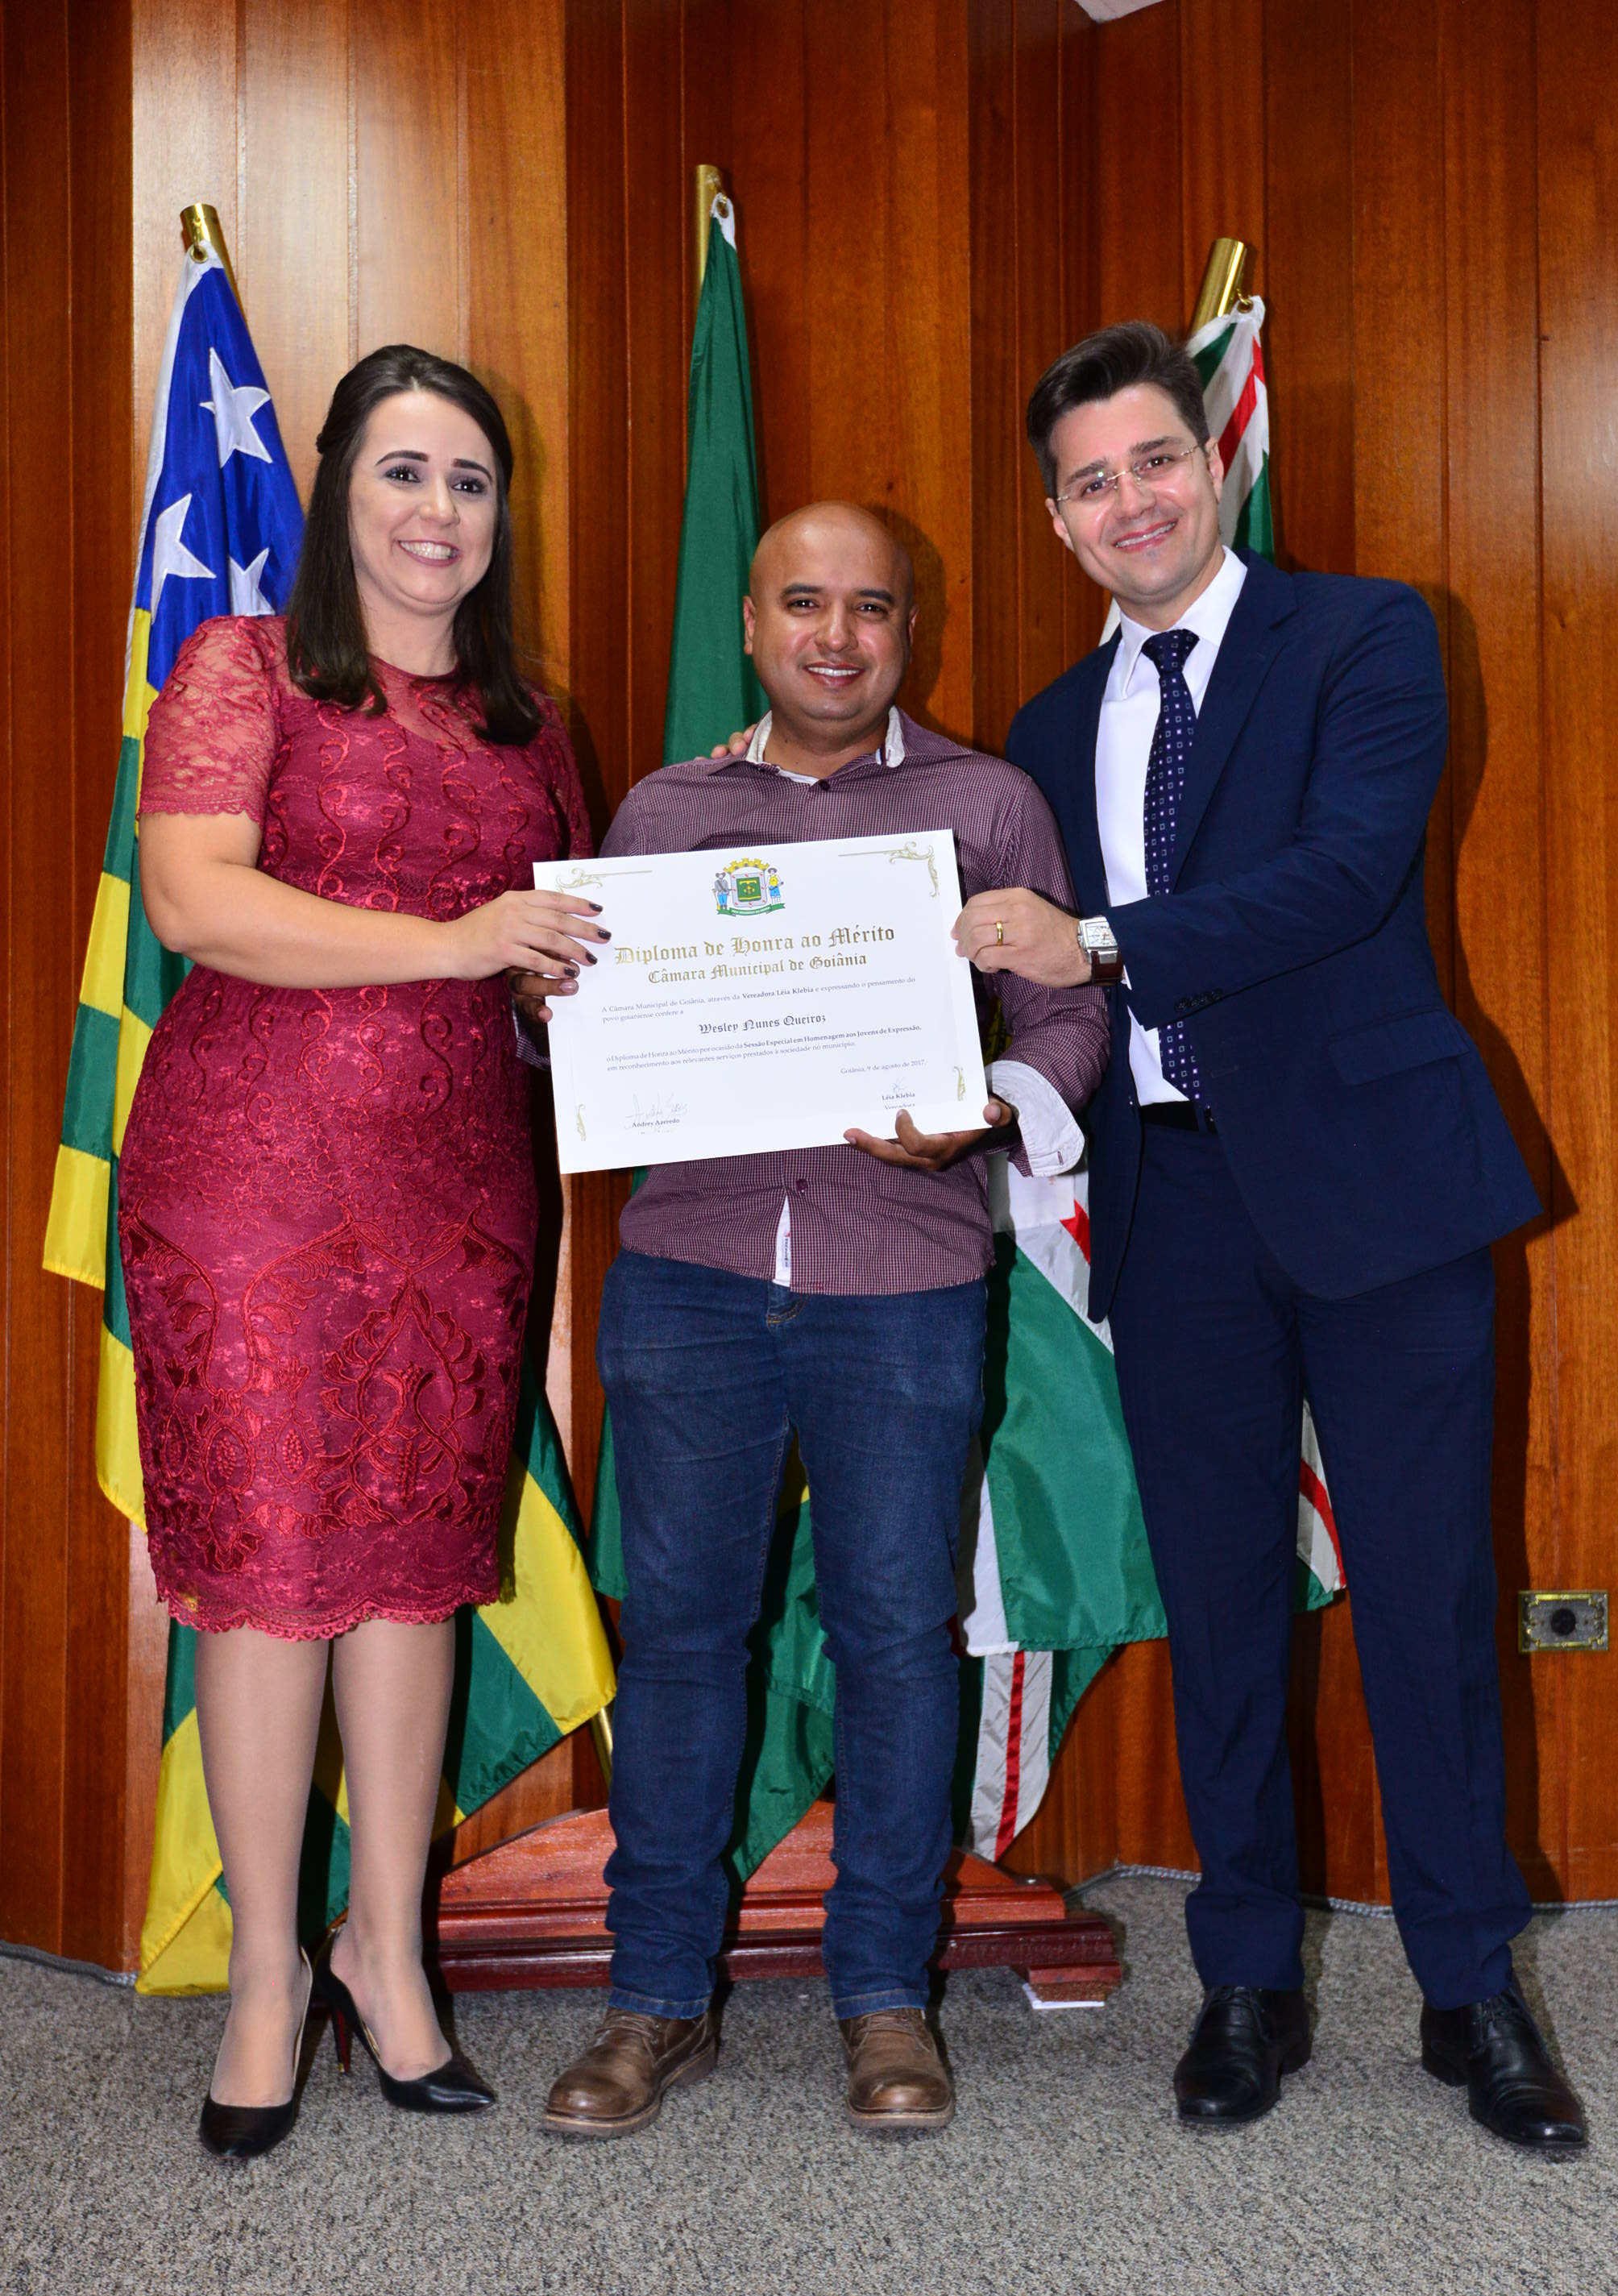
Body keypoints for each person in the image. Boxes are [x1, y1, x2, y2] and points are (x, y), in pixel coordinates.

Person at [955, 320, 1584, 2149]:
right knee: (1222, 1605)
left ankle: (1470, 1990)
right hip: (1173, 1207)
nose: (1130, 501)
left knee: (1426, 1598)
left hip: (1379, 1188)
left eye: (1154, 460)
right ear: (1059, 522)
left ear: (1212, 462)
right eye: (1090, 482)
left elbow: (1342, 873)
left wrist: (1093, 943)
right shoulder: (1045, 732)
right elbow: (1027, 987)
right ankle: (1245, 1980)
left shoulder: (1369, 635)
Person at [514, 502, 1110, 2137]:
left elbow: (1066, 1013)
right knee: (681, 1640)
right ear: (750, 621)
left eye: (868, 608)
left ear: (908, 626)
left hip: (902, 1281)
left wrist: (991, 1103)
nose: (834, 637)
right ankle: (654, 2000)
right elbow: (588, 1037)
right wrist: (546, 1009)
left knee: (897, 1641)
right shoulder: (663, 810)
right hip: (690, 1279)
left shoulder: (987, 803)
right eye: (801, 602)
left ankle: (883, 1998)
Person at [121, 344, 604, 2159]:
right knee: (270, 1578)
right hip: (248, 1188)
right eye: (402, 471)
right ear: (336, 492)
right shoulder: (243, 668)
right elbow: (197, 901)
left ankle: (384, 1953)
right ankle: (267, 1978)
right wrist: (462, 941)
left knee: (414, 1575)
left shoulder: (532, 724)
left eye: (470, 479)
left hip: (460, 1194)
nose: (437, 510)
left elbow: (562, 957)